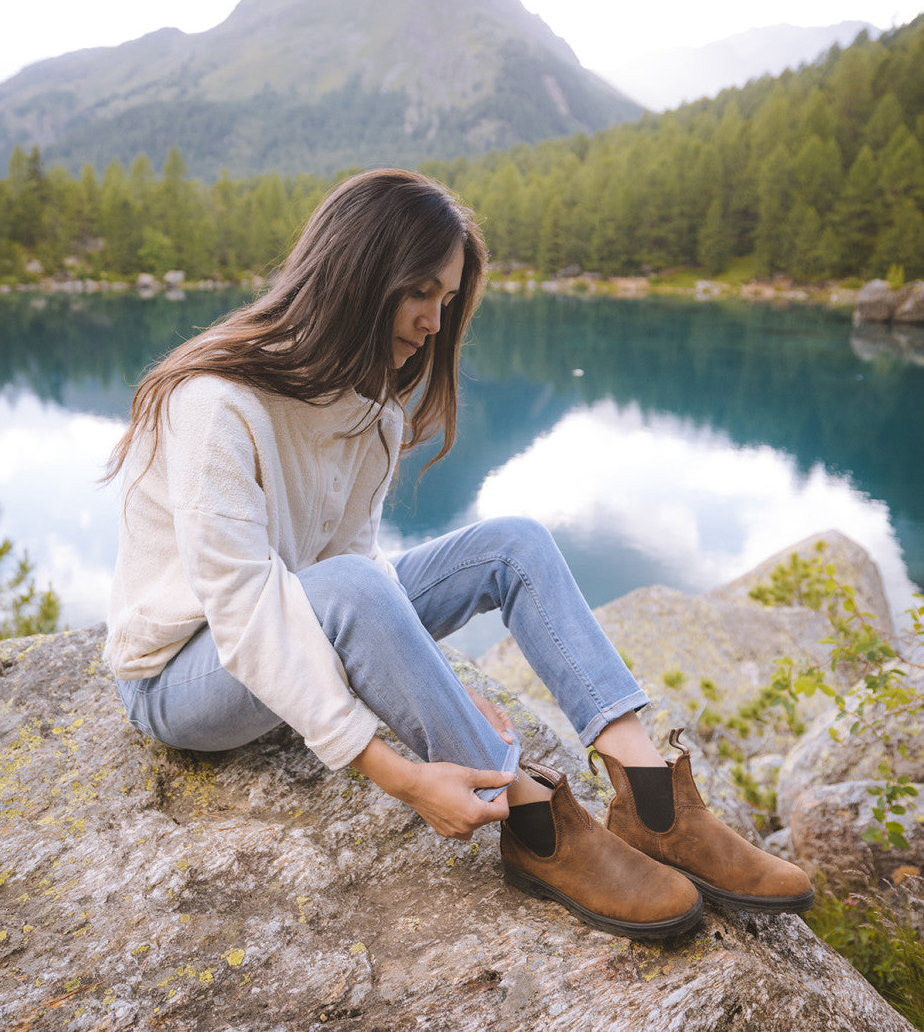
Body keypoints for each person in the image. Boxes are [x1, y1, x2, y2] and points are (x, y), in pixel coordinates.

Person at [104, 168, 812, 940]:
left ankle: (651, 800)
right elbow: (250, 613)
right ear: (356, 273)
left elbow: (355, 573)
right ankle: (533, 821)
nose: (435, 322)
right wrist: (405, 778)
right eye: (420, 293)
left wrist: (432, 681)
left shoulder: (369, 414)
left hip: (300, 628)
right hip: (182, 681)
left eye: (446, 300)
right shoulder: (215, 403)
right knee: (350, 586)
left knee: (514, 544)